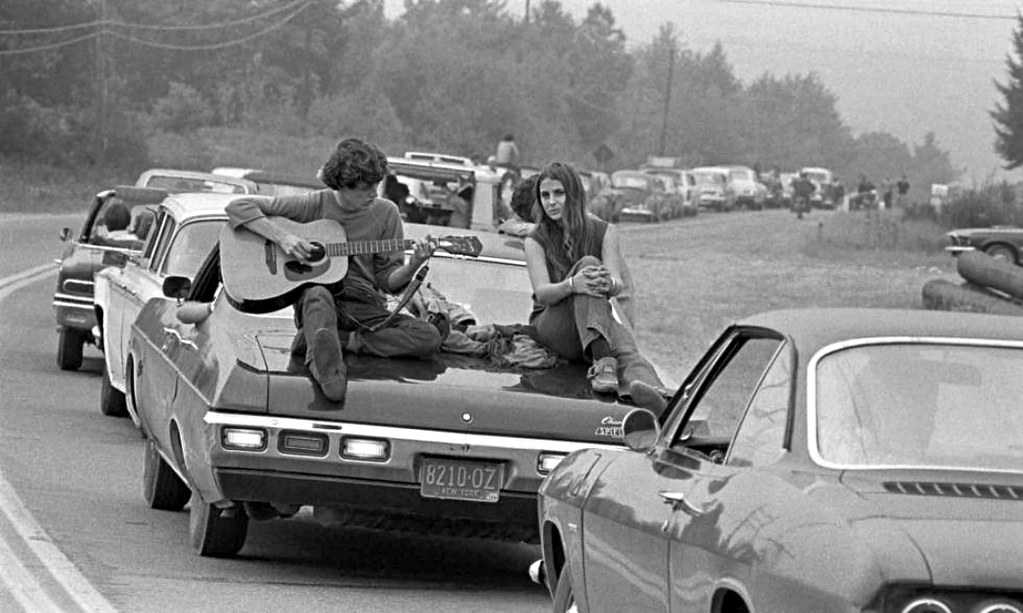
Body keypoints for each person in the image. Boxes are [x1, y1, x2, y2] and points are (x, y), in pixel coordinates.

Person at [225, 138, 443, 403]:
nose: (374, 194)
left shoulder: (387, 213)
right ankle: (327, 370)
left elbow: (388, 281)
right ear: (342, 185)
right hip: (320, 304)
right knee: (317, 293)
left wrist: (414, 264)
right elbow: (237, 207)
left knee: (428, 336)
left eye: (376, 185)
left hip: (364, 307)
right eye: (365, 189)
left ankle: (334, 341)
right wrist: (284, 238)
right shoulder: (313, 205)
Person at [523, 161, 667, 414]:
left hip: (593, 319)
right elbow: (543, 293)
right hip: (552, 327)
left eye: (559, 193)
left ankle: (656, 399)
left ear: (574, 195)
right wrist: (572, 285)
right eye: (545, 195)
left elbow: (617, 283)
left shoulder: (606, 232)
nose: (551, 202)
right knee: (589, 265)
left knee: (625, 346)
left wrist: (607, 283)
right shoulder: (535, 240)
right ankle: (603, 360)